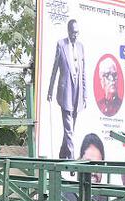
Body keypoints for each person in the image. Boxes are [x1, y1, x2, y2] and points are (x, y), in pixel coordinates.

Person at [47, 19, 87, 159]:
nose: (75, 35)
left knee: (71, 128)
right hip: (65, 91)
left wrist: (85, 95)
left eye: (77, 32)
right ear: (68, 31)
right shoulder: (61, 44)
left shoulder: (81, 47)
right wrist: (50, 90)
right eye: (73, 32)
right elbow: (55, 68)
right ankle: (71, 158)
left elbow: (83, 73)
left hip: (77, 91)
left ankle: (62, 154)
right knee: (69, 128)